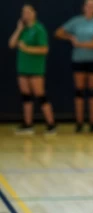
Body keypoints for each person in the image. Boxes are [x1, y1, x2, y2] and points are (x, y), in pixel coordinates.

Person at [55, 0, 93, 133]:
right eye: (88, 5)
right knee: (79, 91)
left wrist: (79, 44)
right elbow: (58, 32)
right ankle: (79, 122)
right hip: (78, 60)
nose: (90, 8)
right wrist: (70, 37)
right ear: (83, 7)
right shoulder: (76, 21)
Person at [8, 4, 56, 135]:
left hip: (36, 68)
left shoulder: (39, 29)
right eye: (23, 12)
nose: (26, 14)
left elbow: (44, 49)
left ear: (34, 13)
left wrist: (27, 48)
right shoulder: (22, 29)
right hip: (23, 67)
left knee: (40, 95)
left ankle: (51, 124)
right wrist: (18, 29)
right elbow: (11, 44)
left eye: (28, 12)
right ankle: (28, 124)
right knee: (26, 96)